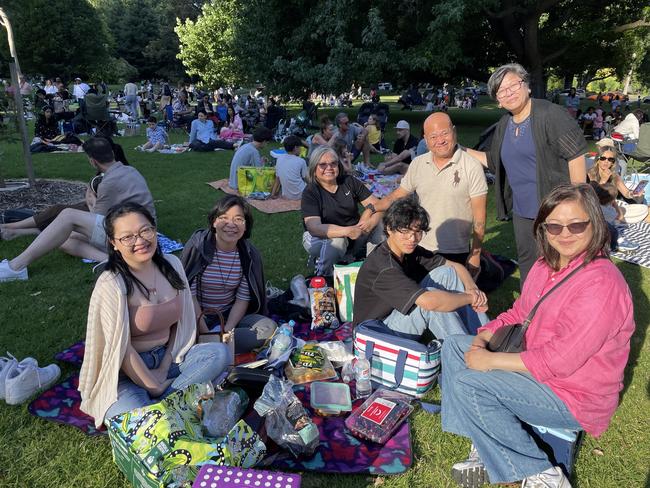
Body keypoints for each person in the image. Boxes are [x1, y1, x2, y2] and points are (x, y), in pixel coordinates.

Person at [442, 183, 635, 488]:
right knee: (454, 346)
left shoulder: (601, 284)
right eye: (554, 225)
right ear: (543, 228)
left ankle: (541, 474)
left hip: (574, 394)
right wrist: (482, 339)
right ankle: (482, 441)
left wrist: (490, 360)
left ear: (595, 223)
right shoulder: (547, 265)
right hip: (538, 364)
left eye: (576, 224)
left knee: (470, 385)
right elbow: (520, 313)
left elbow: (559, 361)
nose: (565, 233)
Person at [78, 203, 230, 427]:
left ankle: (164, 407)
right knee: (134, 420)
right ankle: (171, 403)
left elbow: (180, 321)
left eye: (145, 230)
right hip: (125, 374)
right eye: (127, 237)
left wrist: (165, 364)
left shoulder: (172, 265)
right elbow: (119, 346)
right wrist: (152, 384)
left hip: (171, 360)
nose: (140, 241)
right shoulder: (111, 283)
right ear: (113, 243)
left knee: (219, 353)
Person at [464, 63, 587, 286]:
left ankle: (557, 316)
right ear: (498, 100)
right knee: (529, 264)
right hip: (523, 212)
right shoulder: (504, 124)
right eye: (502, 91)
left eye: (514, 85)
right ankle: (529, 313)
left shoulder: (550, 114)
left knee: (559, 266)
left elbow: (576, 155)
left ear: (527, 86)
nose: (509, 92)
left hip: (555, 208)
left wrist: (576, 204)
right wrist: (460, 150)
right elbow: (494, 162)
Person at [0, 138, 155, 282]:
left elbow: (97, 218)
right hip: (144, 231)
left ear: (93, 161)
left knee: (67, 215)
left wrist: (90, 200)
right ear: (112, 154)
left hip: (133, 236)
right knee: (63, 239)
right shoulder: (130, 171)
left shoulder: (109, 182)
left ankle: (16, 266)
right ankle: (112, 261)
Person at [353, 195, 488, 340]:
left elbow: (454, 266)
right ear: (389, 229)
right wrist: (469, 298)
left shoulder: (408, 251)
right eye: (405, 231)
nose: (412, 239)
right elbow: (430, 302)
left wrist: (472, 288)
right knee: (430, 302)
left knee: (446, 272)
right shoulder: (384, 267)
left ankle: (486, 334)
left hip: (396, 314)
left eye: (417, 231)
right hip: (376, 333)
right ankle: (466, 353)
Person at [374, 113, 488, 276]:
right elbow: (397, 195)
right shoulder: (418, 164)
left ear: (454, 131)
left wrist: (475, 254)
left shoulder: (471, 166)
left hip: (455, 251)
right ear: (425, 140)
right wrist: (373, 207)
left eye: (444, 133)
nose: (440, 140)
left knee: (450, 299)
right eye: (433, 136)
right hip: (419, 247)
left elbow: (480, 216)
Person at [181, 195, 277, 354]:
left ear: (246, 226)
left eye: (238, 219)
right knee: (179, 333)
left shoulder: (248, 255)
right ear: (214, 222)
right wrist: (205, 332)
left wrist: (226, 330)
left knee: (268, 328)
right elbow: (188, 296)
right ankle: (212, 345)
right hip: (196, 317)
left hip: (228, 316)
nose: (231, 224)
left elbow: (242, 299)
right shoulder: (198, 248)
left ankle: (214, 346)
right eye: (223, 218)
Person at [301, 146, 383, 276]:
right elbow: (314, 227)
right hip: (319, 237)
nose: (329, 168)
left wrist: (368, 222)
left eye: (333, 163)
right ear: (314, 168)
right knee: (338, 240)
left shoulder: (349, 181)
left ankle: (374, 267)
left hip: (354, 232)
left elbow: (379, 205)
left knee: (380, 224)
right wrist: (347, 231)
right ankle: (323, 275)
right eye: (322, 165)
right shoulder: (310, 191)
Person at [271, 135, 308, 200]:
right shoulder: (301, 161)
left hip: (286, 195)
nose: (300, 150)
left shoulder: (279, 158)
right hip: (301, 194)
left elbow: (277, 179)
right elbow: (306, 179)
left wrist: (273, 194)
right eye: (300, 148)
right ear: (295, 148)